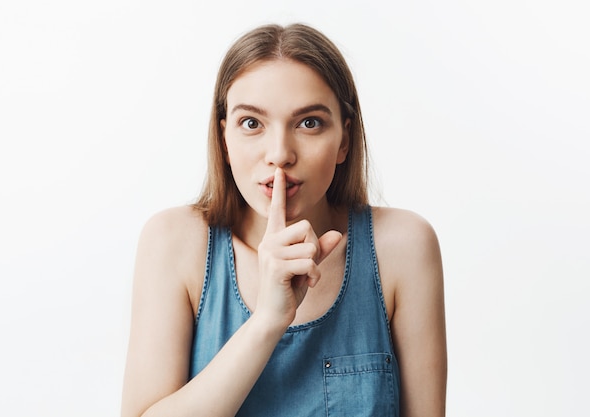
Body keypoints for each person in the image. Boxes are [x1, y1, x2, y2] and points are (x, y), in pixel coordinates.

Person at [121, 23, 447, 417]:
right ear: (224, 139)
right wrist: (268, 320)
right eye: (252, 123)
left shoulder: (403, 246)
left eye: (309, 123)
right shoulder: (173, 242)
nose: (279, 153)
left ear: (344, 140)